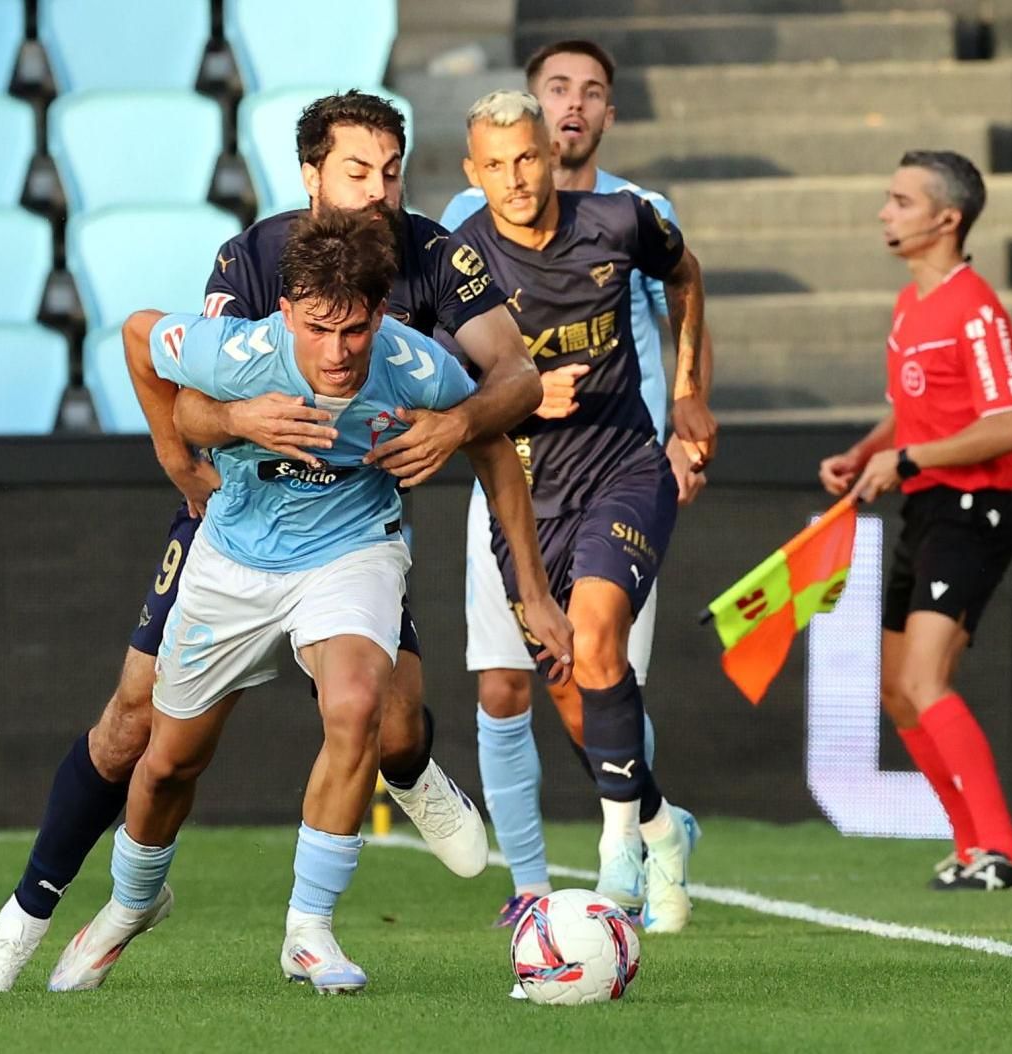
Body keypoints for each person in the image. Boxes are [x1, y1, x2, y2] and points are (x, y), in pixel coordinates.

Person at [0, 91, 540, 994]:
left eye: (392, 171)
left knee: (379, 718)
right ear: (311, 177)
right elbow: (176, 375)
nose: (379, 192)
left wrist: (454, 427)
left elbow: (515, 385)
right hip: (236, 520)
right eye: (356, 172)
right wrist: (204, 439)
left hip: (353, 527)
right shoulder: (261, 258)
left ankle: (329, 899)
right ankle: (35, 913)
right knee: (137, 735)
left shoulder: (433, 261)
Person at [48, 207, 573, 994]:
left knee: (359, 704)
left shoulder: (416, 364)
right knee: (166, 764)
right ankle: (128, 907)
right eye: (319, 330)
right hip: (233, 560)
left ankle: (309, 929)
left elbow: (496, 447)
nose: (337, 353)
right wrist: (193, 449)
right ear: (287, 312)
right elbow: (137, 337)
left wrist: (530, 590)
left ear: (381, 314)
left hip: (351, 549)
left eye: (355, 331)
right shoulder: (241, 353)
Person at [441, 40, 707, 930]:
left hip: (626, 466)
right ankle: (659, 829)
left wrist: (689, 403)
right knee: (554, 680)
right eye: (498, 163)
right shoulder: (453, 251)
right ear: (473, 173)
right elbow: (444, 370)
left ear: (556, 147)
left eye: (529, 156)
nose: (518, 175)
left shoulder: (629, 216)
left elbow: (684, 279)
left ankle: (618, 861)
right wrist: (507, 396)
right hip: (516, 492)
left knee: (599, 647)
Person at [819, 150, 1012, 891]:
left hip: (973, 509)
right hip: (927, 507)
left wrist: (907, 460)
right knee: (896, 690)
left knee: (925, 678)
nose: (885, 212)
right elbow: (911, 411)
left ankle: (1005, 852)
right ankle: (973, 847)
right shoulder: (912, 305)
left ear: (947, 218)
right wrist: (865, 450)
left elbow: (1009, 426)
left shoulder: (976, 310)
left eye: (900, 201)